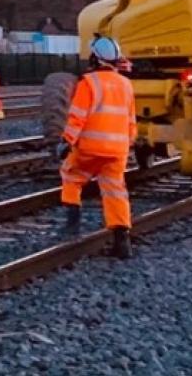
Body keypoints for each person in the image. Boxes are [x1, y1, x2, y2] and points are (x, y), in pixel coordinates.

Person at [60, 35, 136, 258]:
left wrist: (66, 142)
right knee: (115, 191)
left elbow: (77, 118)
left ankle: (71, 226)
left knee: (71, 176)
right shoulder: (126, 84)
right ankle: (122, 241)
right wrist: (126, 146)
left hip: (90, 149)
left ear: (95, 57)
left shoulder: (88, 83)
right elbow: (131, 122)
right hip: (117, 152)